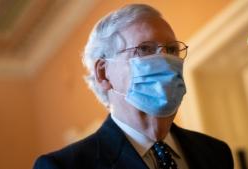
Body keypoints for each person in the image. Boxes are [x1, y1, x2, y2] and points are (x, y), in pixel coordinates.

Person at [33, 4, 234, 169]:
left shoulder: (216, 153)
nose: (165, 60)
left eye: (172, 50)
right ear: (104, 73)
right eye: (145, 49)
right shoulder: (63, 166)